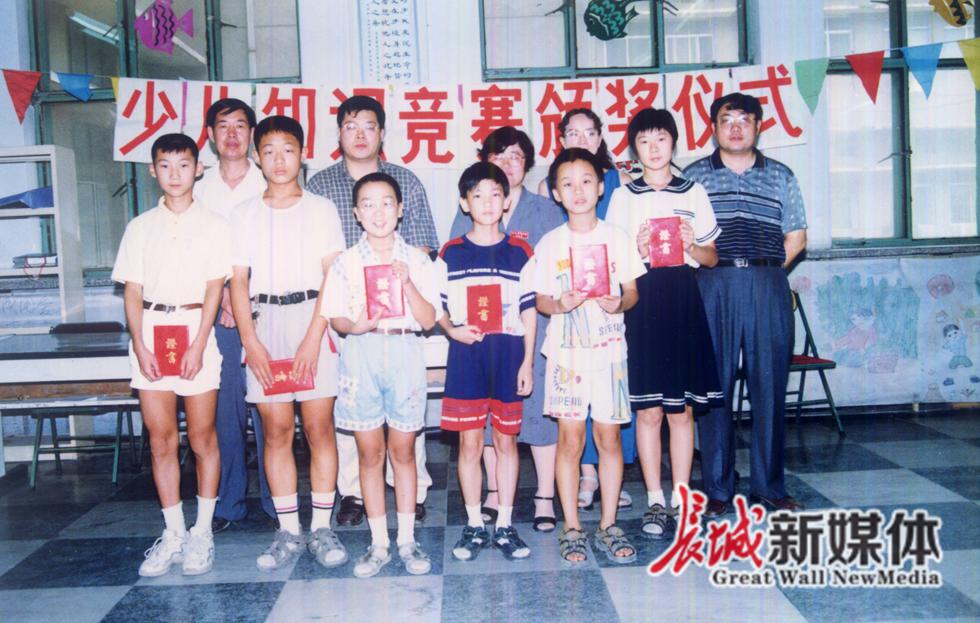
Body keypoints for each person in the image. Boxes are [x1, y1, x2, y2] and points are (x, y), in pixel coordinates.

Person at [307, 95, 437, 526]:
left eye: (369, 126)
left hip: (398, 309)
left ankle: (411, 490)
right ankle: (354, 493)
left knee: (405, 414)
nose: (360, 134)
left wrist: (397, 281)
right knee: (352, 406)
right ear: (339, 133)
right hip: (344, 307)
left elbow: (424, 244)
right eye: (351, 126)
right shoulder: (320, 185)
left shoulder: (406, 180)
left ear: (382, 133)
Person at [228, 116, 348, 571]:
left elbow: (332, 276)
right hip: (265, 323)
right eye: (269, 151)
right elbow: (239, 282)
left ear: (303, 155)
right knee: (276, 431)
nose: (279, 160)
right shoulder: (243, 214)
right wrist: (251, 341)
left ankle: (322, 527)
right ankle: (288, 531)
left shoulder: (321, 209)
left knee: (319, 429)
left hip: (314, 318)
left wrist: (314, 338)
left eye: (288, 150)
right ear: (257, 157)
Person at [683, 92, 808, 517]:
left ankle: (769, 486)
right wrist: (726, 271)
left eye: (744, 119)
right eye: (727, 119)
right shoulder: (694, 176)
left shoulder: (781, 175)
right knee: (713, 387)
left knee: (769, 386)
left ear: (758, 126)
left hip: (767, 284)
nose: (735, 127)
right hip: (711, 285)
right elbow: (683, 236)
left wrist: (762, 269)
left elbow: (796, 237)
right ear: (713, 128)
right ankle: (718, 488)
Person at [112, 133, 231, 577]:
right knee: (162, 440)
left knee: (202, 438)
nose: (175, 174)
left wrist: (199, 343)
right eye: (165, 165)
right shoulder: (140, 227)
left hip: (196, 330)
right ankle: (174, 532)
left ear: (198, 168)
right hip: (151, 331)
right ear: (152, 171)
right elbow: (133, 290)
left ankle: (202, 532)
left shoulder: (215, 225)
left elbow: (215, 288)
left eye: (183, 165)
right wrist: (140, 343)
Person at [605, 108, 723, 539]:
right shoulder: (624, 197)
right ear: (634, 148)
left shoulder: (694, 192)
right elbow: (614, 265)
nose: (653, 149)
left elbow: (712, 257)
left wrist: (693, 245)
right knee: (649, 410)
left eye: (661, 139)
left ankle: (682, 498)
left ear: (674, 142)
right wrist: (636, 250)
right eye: (644, 141)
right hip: (642, 304)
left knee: (682, 410)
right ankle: (655, 499)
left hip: (683, 301)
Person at [448, 127, 564, 532]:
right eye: (499, 156)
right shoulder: (471, 206)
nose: (508, 163)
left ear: (527, 164)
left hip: (535, 327)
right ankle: (495, 492)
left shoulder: (545, 209)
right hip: (483, 335)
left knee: (540, 413)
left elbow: (558, 265)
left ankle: (544, 495)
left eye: (516, 156)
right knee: (488, 421)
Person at [323, 172, 439, 578]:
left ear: (400, 209)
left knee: (403, 452)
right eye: (368, 204)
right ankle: (378, 543)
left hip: (405, 353)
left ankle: (406, 539)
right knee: (370, 454)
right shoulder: (346, 262)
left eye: (387, 202)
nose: (378, 212)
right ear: (356, 213)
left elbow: (429, 319)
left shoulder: (418, 261)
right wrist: (355, 325)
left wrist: (407, 284)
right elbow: (335, 317)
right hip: (362, 355)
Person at [534, 148, 645, 564]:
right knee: (570, 440)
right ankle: (573, 527)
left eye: (586, 181)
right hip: (567, 358)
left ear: (600, 187)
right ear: (555, 193)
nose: (577, 190)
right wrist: (559, 304)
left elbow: (632, 292)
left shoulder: (617, 237)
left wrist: (620, 303)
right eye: (567, 183)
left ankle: (609, 523)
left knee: (609, 438)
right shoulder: (551, 243)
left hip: (610, 353)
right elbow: (541, 300)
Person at [439, 162, 536, 561]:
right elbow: (438, 307)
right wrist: (452, 330)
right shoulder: (451, 252)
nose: (487, 202)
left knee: (506, 441)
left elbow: (529, 310)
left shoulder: (520, 251)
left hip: (508, 355)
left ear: (507, 200)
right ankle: (475, 523)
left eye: (495, 194)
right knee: (470, 443)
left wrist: (527, 363)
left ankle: (506, 524)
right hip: (467, 356)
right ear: (465, 203)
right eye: (477, 195)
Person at [193, 98, 275, 531]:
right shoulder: (197, 188)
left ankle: (278, 503)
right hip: (216, 318)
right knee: (225, 414)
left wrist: (241, 296)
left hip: (265, 312)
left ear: (252, 134)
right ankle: (228, 504)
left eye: (240, 126)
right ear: (210, 135)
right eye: (222, 126)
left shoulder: (270, 181)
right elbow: (192, 251)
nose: (231, 134)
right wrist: (224, 294)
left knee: (271, 411)